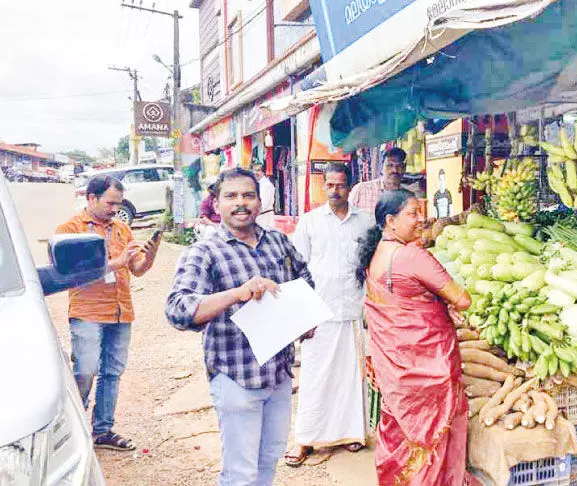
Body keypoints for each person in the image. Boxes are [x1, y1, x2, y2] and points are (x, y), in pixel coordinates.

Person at [165, 168, 315, 485]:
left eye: (248, 195)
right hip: (236, 377)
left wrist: (306, 319)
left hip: (278, 374)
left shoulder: (277, 242)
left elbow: (306, 282)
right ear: (216, 204)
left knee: (268, 462)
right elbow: (178, 310)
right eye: (231, 196)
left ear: (260, 202)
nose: (240, 203)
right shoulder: (205, 252)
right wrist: (236, 293)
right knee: (240, 472)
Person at [356, 189, 478, 486]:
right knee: (431, 435)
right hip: (427, 368)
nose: (421, 219)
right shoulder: (412, 256)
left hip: (397, 370)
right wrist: (447, 302)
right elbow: (462, 299)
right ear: (390, 221)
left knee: (401, 429)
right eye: (412, 213)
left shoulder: (377, 254)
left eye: (420, 211)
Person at [56, 175, 161, 451]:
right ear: (91, 198)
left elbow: (136, 270)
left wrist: (148, 256)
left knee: (112, 373)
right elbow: (71, 274)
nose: (114, 208)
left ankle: (103, 431)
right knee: (85, 371)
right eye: (110, 202)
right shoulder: (70, 230)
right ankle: (71, 434)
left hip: (120, 311)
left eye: (118, 203)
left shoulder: (122, 229)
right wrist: (117, 263)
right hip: (88, 312)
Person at [285, 162, 373, 466]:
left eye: (341, 185)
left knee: (351, 376)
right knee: (314, 377)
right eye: (331, 185)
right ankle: (305, 439)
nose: (336, 191)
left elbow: (370, 266)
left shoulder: (366, 222)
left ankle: (351, 433)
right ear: (323, 186)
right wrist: (299, 316)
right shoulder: (310, 222)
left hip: (352, 310)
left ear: (350, 186)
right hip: (318, 312)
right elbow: (295, 270)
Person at [349, 147, 408, 216]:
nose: (394, 170)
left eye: (399, 166)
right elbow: (347, 218)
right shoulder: (361, 190)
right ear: (382, 166)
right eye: (390, 165)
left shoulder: (407, 197)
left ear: (404, 169)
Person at [253, 163, 276, 230]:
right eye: (254, 170)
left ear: (263, 172)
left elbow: (263, 204)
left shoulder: (266, 185)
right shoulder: (258, 184)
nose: (255, 173)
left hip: (265, 218)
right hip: (259, 218)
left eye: (258, 170)